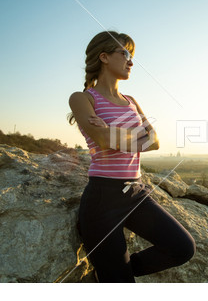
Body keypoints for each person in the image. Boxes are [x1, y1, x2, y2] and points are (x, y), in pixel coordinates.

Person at [67, 31, 196, 283]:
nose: (131, 61)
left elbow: (154, 142)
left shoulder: (131, 101)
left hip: (136, 193)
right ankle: (114, 275)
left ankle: (111, 274)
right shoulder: (82, 98)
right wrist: (130, 136)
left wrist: (110, 131)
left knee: (182, 248)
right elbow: (105, 141)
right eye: (125, 53)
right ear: (103, 57)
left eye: (132, 55)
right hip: (102, 199)